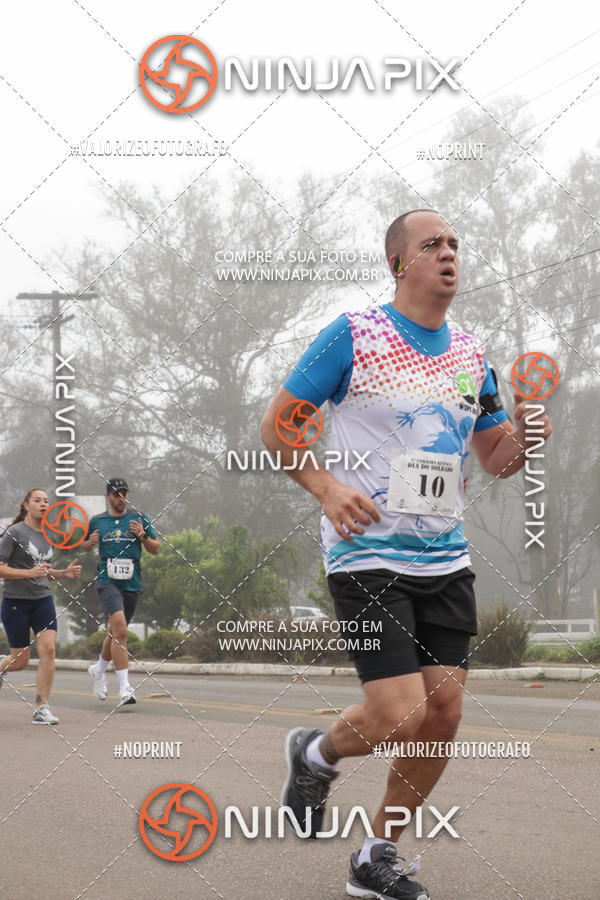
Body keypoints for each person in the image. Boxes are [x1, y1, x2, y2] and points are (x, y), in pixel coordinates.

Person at [261, 209, 552, 900]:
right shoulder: (353, 335)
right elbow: (277, 426)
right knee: (399, 714)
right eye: (432, 245)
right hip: (366, 555)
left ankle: (376, 855)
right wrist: (326, 487)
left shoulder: (472, 356)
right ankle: (314, 754)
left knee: (443, 712)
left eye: (454, 244)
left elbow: (494, 458)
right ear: (399, 263)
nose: (449, 254)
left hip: (444, 556)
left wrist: (526, 437)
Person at [0, 488, 82, 724]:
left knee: (48, 650)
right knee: (21, 660)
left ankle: (41, 707)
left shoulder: (48, 534)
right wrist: (27, 572)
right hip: (16, 602)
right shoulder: (14, 533)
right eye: (37, 500)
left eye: (46, 501)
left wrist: (63, 573)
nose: (43, 504)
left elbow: (42, 574)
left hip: (43, 600)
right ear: (26, 505)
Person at [81, 478, 159, 705]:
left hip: (132, 582)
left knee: (115, 632)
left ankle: (98, 670)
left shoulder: (138, 518)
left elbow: (155, 548)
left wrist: (142, 536)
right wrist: (90, 542)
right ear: (108, 496)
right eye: (116, 494)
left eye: (124, 494)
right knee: (121, 630)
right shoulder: (98, 521)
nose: (121, 498)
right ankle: (125, 688)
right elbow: (83, 545)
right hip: (107, 581)